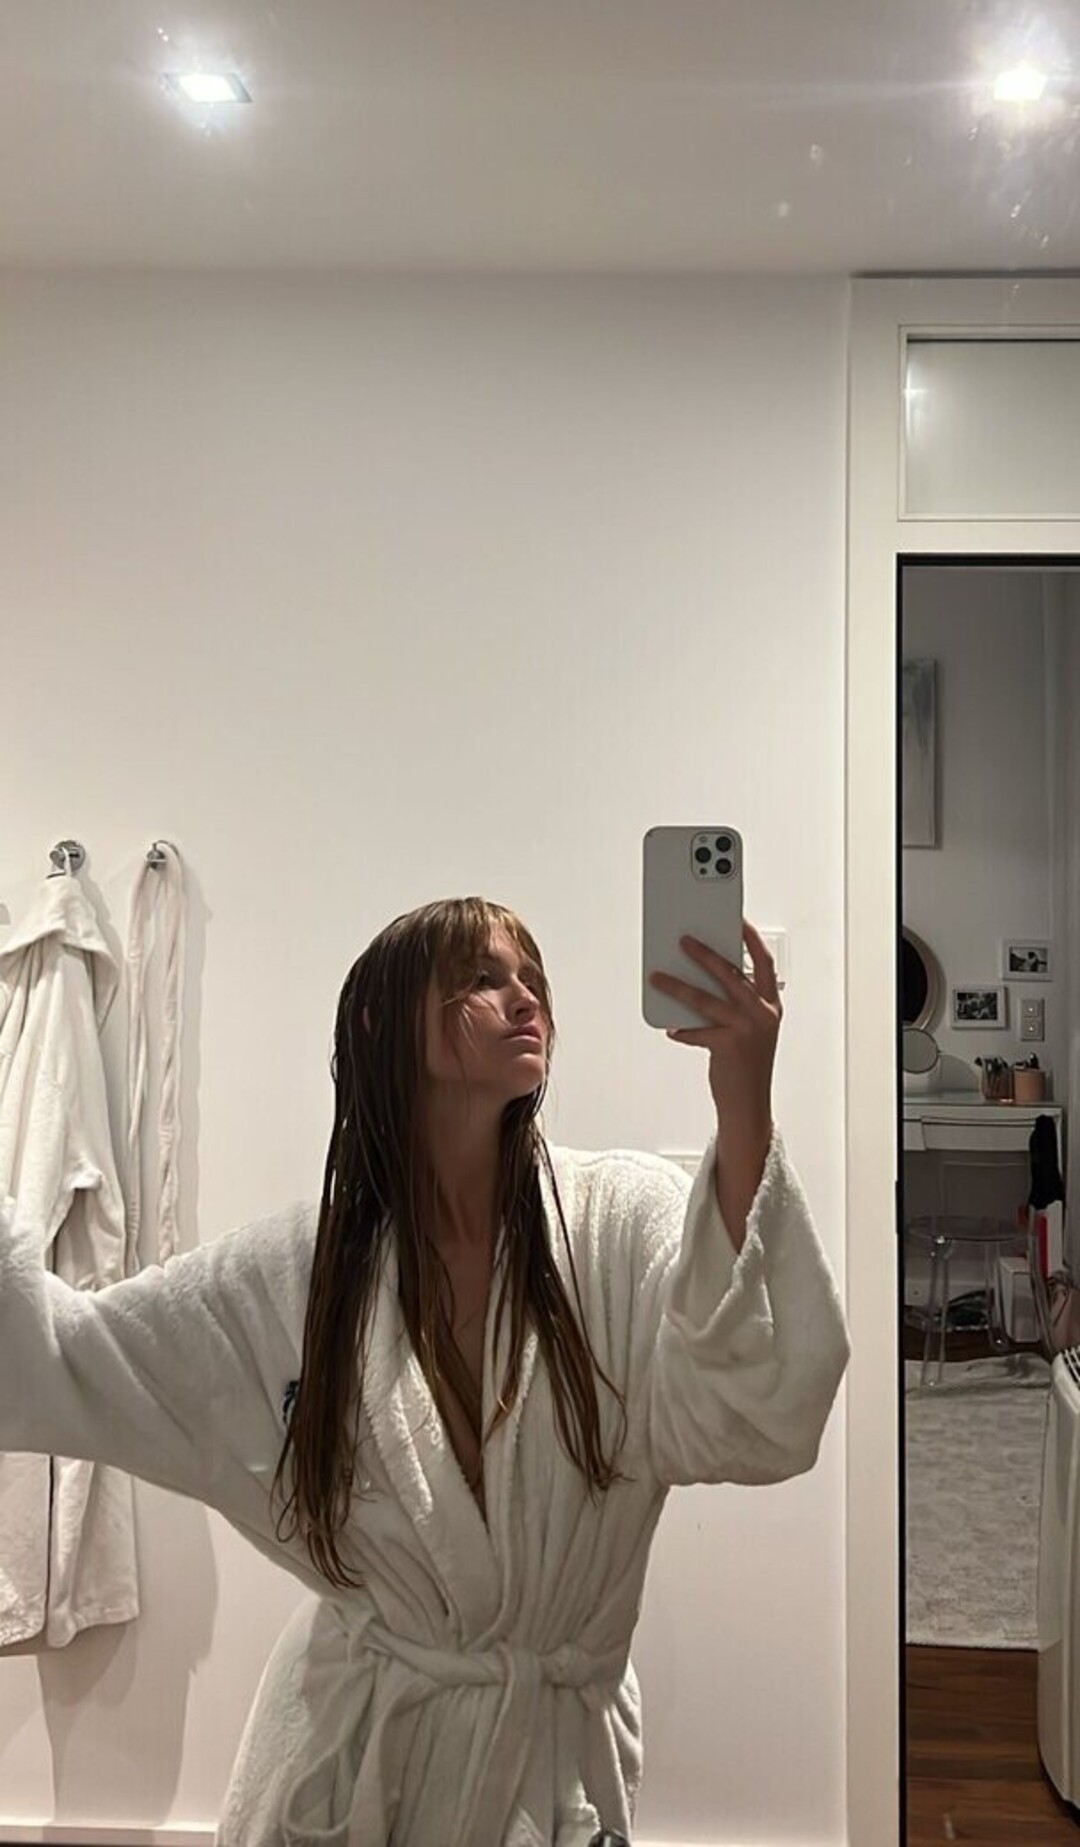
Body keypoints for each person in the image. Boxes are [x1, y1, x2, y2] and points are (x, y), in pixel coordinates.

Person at [0, 896, 849, 1846]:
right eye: (483, 978)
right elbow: (62, 1355)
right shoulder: (295, 1276)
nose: (524, 997)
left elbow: (753, 1414)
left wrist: (743, 1098)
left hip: (546, 1775)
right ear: (381, 1020)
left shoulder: (618, 1222)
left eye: (532, 979)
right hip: (353, 1769)